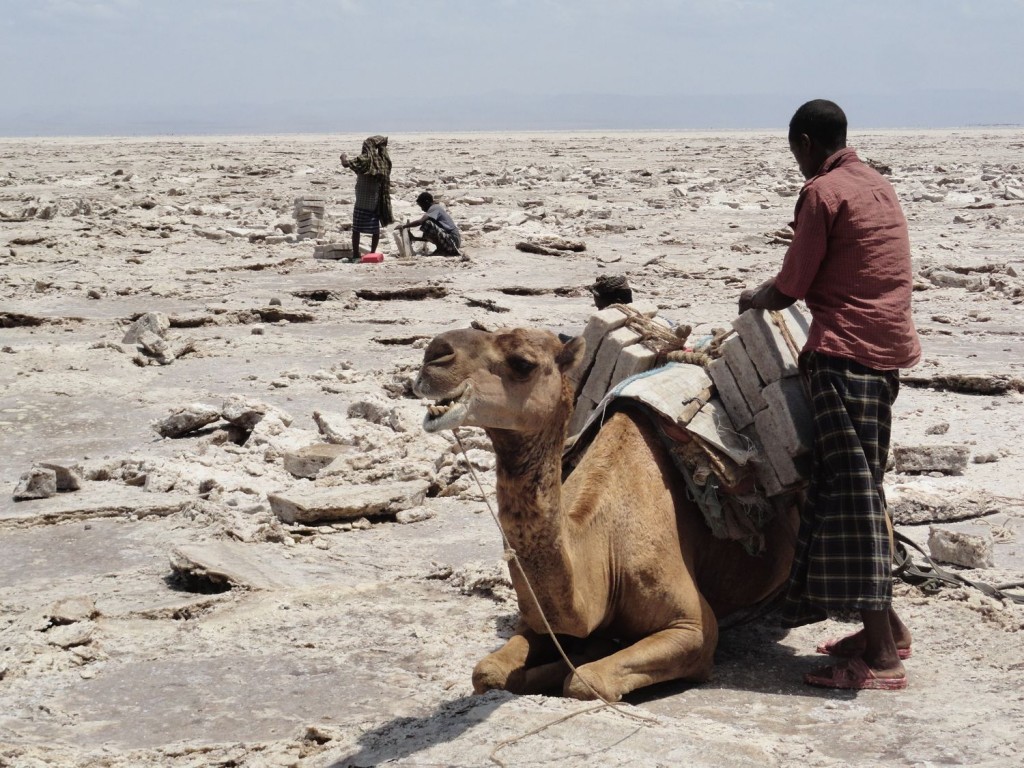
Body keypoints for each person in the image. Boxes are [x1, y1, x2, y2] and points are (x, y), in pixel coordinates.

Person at [738, 99, 921, 691]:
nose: (798, 164)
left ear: (808, 142)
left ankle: (883, 663)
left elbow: (792, 283)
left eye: (796, 152)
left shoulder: (822, 192)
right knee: (862, 485)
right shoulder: (875, 184)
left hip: (844, 354)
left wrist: (754, 299)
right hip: (885, 354)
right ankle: (884, 631)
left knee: (849, 497)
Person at [340, 135, 393, 256]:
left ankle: (355, 253)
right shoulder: (383, 160)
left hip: (362, 199)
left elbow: (346, 164)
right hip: (375, 199)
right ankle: (373, 253)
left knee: (356, 229)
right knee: (375, 229)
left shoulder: (365, 159)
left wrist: (343, 157)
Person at [396, 192, 461, 256]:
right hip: (451, 243)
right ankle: (441, 249)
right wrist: (414, 238)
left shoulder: (435, 208)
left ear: (427, 202)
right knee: (428, 227)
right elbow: (432, 237)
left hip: (453, 241)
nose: (422, 209)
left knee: (427, 224)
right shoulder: (434, 210)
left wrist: (404, 226)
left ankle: (440, 250)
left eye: (422, 206)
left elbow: (420, 221)